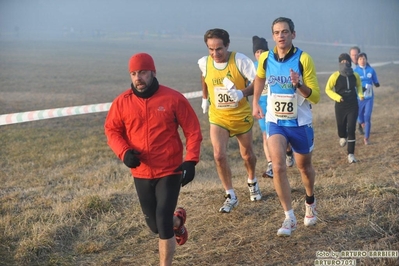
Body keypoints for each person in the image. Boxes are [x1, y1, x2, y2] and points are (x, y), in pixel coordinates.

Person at [104, 53, 202, 266]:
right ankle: (178, 220)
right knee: (155, 226)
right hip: (141, 171)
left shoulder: (173, 98)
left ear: (153, 72)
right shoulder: (122, 102)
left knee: (162, 222)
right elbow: (111, 130)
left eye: (143, 72)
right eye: (134, 73)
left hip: (170, 169)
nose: (138, 77)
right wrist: (124, 152)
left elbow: (193, 130)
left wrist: (191, 160)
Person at [252, 17, 320, 237]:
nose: (281, 36)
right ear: (273, 36)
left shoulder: (304, 59)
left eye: (285, 32)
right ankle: (289, 217)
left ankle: (310, 201)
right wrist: (255, 102)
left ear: (293, 34)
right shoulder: (265, 58)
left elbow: (316, 96)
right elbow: (260, 79)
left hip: (299, 122)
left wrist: (298, 84)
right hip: (275, 121)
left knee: (304, 168)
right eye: (277, 32)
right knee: (279, 166)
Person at [198, 28, 260, 213]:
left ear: (227, 45)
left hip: (240, 115)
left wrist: (242, 93)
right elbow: (204, 76)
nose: (215, 53)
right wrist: (204, 98)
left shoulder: (240, 61)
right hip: (218, 117)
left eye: (219, 49)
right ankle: (230, 194)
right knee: (219, 155)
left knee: (247, 155)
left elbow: (258, 81)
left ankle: (252, 180)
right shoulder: (204, 62)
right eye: (211, 49)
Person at [251, 36, 295, 179]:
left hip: (276, 104)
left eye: (262, 51)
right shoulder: (252, 67)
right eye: (257, 52)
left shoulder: (271, 63)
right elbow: (249, 84)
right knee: (266, 135)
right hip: (262, 105)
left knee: (284, 135)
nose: (259, 54)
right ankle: (271, 164)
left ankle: (289, 152)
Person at [325, 53, 364, 163]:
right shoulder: (335, 76)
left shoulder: (355, 75)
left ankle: (351, 154)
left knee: (351, 128)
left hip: (352, 105)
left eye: (346, 61)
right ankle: (342, 136)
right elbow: (327, 89)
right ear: (339, 63)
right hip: (340, 106)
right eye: (342, 62)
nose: (345, 63)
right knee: (341, 127)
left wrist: (361, 95)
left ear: (350, 63)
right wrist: (337, 97)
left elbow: (359, 86)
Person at [353, 52, 380, 145]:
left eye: (364, 59)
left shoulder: (371, 70)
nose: (362, 60)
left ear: (366, 60)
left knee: (367, 117)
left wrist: (376, 83)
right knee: (359, 116)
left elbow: (375, 80)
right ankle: (361, 122)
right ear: (357, 61)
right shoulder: (355, 71)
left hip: (369, 98)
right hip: (359, 98)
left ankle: (366, 138)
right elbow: (353, 84)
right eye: (360, 59)